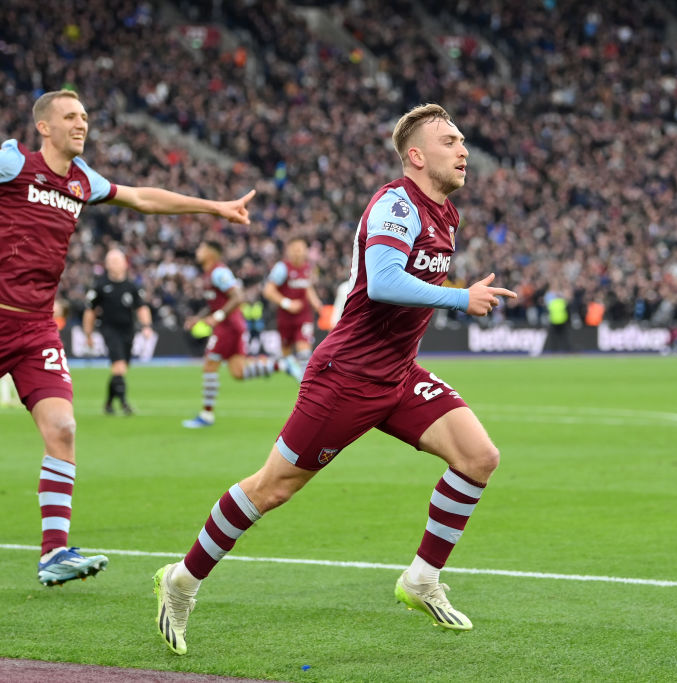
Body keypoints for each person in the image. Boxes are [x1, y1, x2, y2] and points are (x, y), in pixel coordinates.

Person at [0, 89, 256, 588]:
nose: (82, 124)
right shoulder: (13, 163)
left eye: (85, 116)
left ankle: (53, 552)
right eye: (70, 116)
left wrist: (214, 207)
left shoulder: (83, 180)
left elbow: (142, 198)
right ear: (44, 127)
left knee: (63, 428)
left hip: (37, 328)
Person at [154, 104, 517, 654]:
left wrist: (455, 295)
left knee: (478, 457)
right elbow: (384, 282)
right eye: (449, 141)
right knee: (272, 487)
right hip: (346, 375)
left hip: (398, 374)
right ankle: (181, 581)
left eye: (463, 140)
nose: (463, 149)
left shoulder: (446, 214)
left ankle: (421, 579)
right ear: (416, 156)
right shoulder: (396, 203)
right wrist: (460, 298)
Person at [181, 240, 300, 429]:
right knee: (238, 372)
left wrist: (218, 316)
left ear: (211, 253)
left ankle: (206, 414)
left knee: (210, 365)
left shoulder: (219, 272)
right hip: (230, 326)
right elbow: (215, 304)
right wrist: (199, 318)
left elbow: (238, 296)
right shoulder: (208, 274)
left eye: (201, 248)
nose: (198, 251)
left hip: (228, 327)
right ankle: (281, 365)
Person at [83, 247, 153, 415]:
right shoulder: (100, 286)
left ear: (124, 264)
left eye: (117, 261)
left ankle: (108, 404)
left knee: (121, 368)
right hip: (109, 329)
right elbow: (90, 311)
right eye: (111, 261)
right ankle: (124, 404)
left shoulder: (132, 286)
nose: (114, 264)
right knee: (119, 365)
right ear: (106, 264)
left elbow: (142, 307)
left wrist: (146, 326)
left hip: (128, 330)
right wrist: (88, 334)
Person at [262, 237, 322, 380]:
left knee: (304, 352)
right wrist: (287, 303)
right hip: (285, 318)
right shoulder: (282, 268)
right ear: (288, 251)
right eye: (295, 249)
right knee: (286, 356)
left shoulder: (308, 268)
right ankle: (296, 375)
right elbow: (268, 291)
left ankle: (305, 386)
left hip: (304, 316)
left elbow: (307, 288)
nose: (298, 252)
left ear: (306, 251)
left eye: (301, 249)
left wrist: (317, 304)